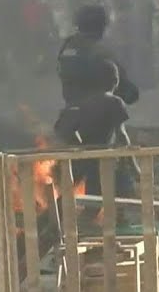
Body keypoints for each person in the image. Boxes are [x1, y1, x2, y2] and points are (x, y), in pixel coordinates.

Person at [53, 58, 139, 199]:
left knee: (92, 201)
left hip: (89, 162)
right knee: (121, 199)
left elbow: (69, 130)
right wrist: (135, 167)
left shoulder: (86, 102)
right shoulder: (115, 102)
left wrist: (83, 147)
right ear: (116, 81)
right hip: (108, 162)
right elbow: (122, 135)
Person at [57, 4, 140, 108]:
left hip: (71, 112)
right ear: (101, 27)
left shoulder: (67, 46)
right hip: (98, 113)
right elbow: (129, 94)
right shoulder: (101, 54)